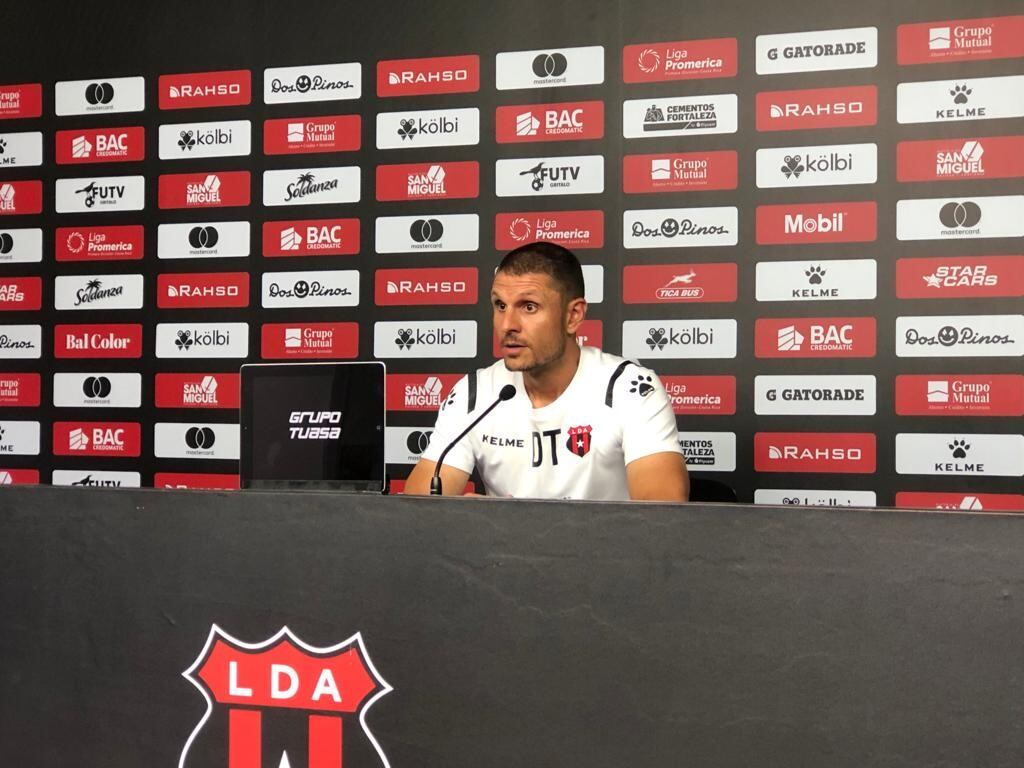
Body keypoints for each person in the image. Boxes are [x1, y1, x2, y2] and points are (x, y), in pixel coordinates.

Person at [403, 241, 689, 501]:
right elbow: (418, 514)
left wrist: (501, 522)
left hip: (606, 558)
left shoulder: (630, 389)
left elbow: (660, 519)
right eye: (500, 305)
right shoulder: (475, 394)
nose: (507, 325)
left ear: (573, 316)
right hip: (503, 558)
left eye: (529, 307)